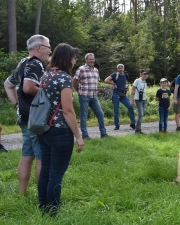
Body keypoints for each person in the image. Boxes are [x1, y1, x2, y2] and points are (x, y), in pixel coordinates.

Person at [37, 43, 84, 216]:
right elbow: (68, 110)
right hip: (60, 131)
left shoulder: (45, 75)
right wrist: (78, 136)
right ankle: (53, 213)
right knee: (56, 174)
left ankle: (43, 207)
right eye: (73, 57)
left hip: (44, 129)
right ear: (66, 58)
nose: (74, 61)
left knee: (46, 171)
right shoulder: (64, 78)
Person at [3, 34, 51, 195]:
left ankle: (22, 194)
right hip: (35, 118)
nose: (49, 51)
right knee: (42, 157)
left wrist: (17, 104)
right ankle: (42, 197)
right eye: (48, 47)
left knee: (27, 155)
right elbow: (28, 87)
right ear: (39, 48)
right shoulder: (35, 64)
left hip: (24, 118)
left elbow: (8, 84)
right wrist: (47, 94)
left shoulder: (23, 63)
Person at [73, 53, 108, 139]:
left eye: (93, 59)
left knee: (100, 114)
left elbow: (96, 82)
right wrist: (78, 91)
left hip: (93, 96)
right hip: (84, 95)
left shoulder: (96, 70)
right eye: (90, 59)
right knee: (84, 115)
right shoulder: (81, 69)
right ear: (86, 60)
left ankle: (103, 133)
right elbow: (74, 81)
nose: (92, 61)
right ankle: (85, 135)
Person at [104, 64, 136, 131]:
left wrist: (126, 88)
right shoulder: (115, 75)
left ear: (124, 68)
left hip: (123, 95)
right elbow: (106, 80)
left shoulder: (126, 75)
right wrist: (113, 84)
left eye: (122, 68)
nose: (120, 69)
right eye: (119, 68)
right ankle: (117, 125)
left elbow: (125, 83)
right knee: (116, 110)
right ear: (117, 69)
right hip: (116, 94)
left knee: (130, 106)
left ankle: (133, 123)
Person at [131, 69, 149, 134]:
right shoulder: (137, 81)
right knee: (140, 114)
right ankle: (137, 129)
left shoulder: (145, 82)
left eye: (146, 74)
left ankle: (138, 129)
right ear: (141, 74)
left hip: (143, 99)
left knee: (141, 114)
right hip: (138, 99)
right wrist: (132, 100)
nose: (145, 75)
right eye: (144, 74)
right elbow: (132, 90)